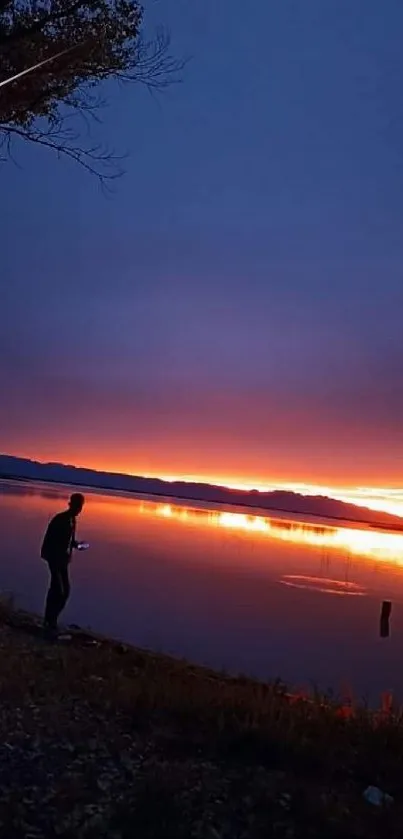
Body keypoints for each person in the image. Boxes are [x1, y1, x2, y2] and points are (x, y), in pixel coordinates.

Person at [41, 493, 85, 637]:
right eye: (78, 506)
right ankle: (49, 621)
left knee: (64, 591)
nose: (79, 509)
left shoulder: (72, 521)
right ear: (71, 504)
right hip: (55, 559)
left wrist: (76, 545)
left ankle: (50, 620)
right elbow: (50, 540)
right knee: (58, 590)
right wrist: (51, 557)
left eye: (81, 506)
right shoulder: (60, 519)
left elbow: (68, 541)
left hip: (63, 561)